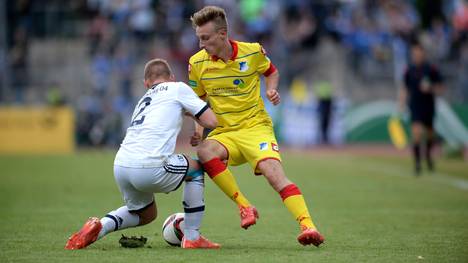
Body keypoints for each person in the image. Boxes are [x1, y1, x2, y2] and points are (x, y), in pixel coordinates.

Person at [187, 6, 324, 247]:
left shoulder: (252, 52)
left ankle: (308, 226)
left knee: (274, 174)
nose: (200, 44)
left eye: (205, 38)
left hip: (256, 128)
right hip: (226, 133)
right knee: (204, 151)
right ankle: (244, 206)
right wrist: (199, 132)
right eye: (199, 38)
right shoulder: (197, 63)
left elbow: (271, 71)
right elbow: (199, 101)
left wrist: (271, 88)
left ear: (222, 34)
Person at [65, 59, 220, 249]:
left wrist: (187, 112)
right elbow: (211, 121)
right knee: (196, 169)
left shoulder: (144, 100)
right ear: (172, 78)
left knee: (145, 214)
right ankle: (193, 236)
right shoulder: (178, 88)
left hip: (121, 166)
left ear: (146, 83)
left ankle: (101, 226)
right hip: (149, 166)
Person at [398, 42, 444, 175]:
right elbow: (404, 87)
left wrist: (430, 88)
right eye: (414, 54)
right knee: (416, 133)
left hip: (428, 106)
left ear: (423, 54)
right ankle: (417, 164)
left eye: (418, 53)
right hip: (415, 105)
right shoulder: (409, 70)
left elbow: (441, 87)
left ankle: (428, 156)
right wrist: (401, 102)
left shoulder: (431, 69)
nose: (416, 56)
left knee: (429, 135)